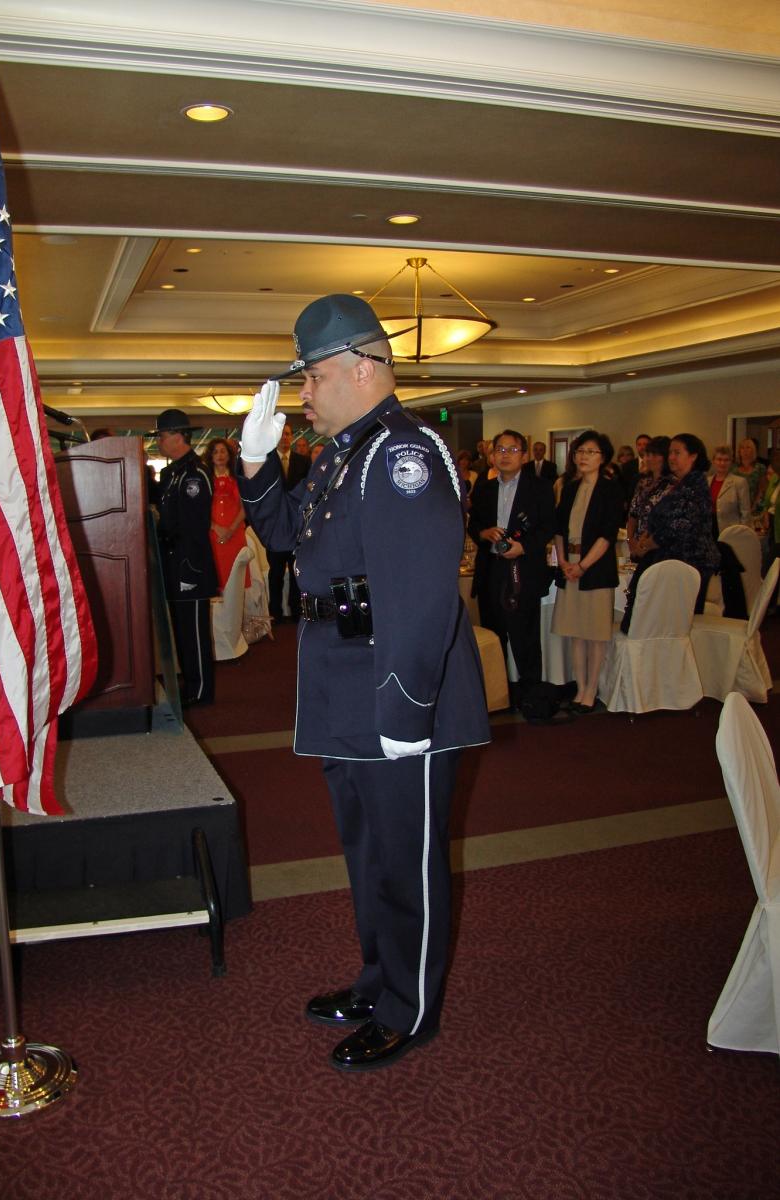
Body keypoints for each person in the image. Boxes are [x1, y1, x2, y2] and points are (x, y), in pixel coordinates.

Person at [237, 293, 489, 1072]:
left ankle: (410, 1010)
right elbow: (287, 534)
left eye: (312, 377)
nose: (304, 395)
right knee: (369, 852)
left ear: (362, 368)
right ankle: (380, 982)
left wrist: (406, 712)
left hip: (395, 690)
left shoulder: (402, 454)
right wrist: (256, 466)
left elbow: (420, 596)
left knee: (407, 861)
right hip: (346, 683)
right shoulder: (342, 454)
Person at [469, 429, 555, 704]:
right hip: (491, 569)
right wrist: (484, 533)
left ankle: (531, 697)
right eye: (500, 450)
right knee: (494, 635)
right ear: (492, 456)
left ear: (524, 455)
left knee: (525, 635)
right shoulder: (484, 488)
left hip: (524, 571)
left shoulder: (540, 487)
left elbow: (548, 526)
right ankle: (499, 695)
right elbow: (474, 524)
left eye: (512, 450)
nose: (505, 455)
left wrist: (524, 546)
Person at [552, 431, 623, 712]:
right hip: (569, 564)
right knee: (576, 632)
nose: (583, 457)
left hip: (595, 567)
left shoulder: (610, 489)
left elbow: (607, 534)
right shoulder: (570, 488)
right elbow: (559, 528)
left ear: (603, 458)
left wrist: (582, 566)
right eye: (580, 451)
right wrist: (564, 561)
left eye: (590, 452)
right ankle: (580, 687)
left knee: (595, 632)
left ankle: (592, 689)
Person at [151, 409, 218, 707]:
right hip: (172, 561)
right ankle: (190, 683)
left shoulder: (194, 473)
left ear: (179, 436)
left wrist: (187, 567)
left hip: (189, 564)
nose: (159, 442)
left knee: (194, 631)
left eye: (162, 436)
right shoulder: (172, 473)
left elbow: (193, 526)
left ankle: (200, 689)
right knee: (181, 630)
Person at [622, 433, 720, 631]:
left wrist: (647, 544)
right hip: (673, 559)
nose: (672, 457)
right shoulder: (683, 484)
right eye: (670, 453)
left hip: (688, 562)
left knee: (678, 623)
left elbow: (680, 526)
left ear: (693, 456)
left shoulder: (694, 485)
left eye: (677, 453)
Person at [267, 423, 310, 622]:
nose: (284, 437)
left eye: (287, 434)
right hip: (275, 525)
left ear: (292, 437)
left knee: (295, 572)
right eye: (281, 434)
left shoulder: (303, 461)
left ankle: (296, 610)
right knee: (275, 572)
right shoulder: (267, 461)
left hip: (296, 524)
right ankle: (274, 611)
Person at [202, 437, 250, 591]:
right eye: (215, 452)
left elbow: (245, 507)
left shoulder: (239, 478)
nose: (220, 455)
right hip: (213, 534)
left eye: (223, 451)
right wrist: (215, 527)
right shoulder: (204, 479)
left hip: (235, 533)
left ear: (229, 455)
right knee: (215, 578)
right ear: (210, 456)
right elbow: (200, 509)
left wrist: (230, 530)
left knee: (236, 580)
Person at [626, 435, 672, 559]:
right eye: (648, 454)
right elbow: (633, 514)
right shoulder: (643, 482)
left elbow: (668, 523)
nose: (649, 458)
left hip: (659, 546)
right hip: (637, 543)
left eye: (655, 455)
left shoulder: (672, 485)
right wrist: (630, 539)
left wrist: (646, 545)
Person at [708, 444, 751, 534]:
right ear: (713, 461)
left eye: (726, 460)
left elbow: (745, 512)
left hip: (731, 532)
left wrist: (742, 533)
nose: (722, 463)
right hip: (709, 530)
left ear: (731, 462)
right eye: (719, 459)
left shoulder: (739, 482)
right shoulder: (707, 481)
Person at [733, 437, 767, 508]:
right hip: (735, 506)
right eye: (742, 448)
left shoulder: (760, 468)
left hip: (754, 505)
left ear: (753, 451)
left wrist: (754, 506)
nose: (745, 450)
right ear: (739, 451)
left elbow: (761, 490)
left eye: (748, 447)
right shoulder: (733, 468)